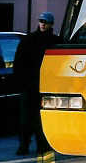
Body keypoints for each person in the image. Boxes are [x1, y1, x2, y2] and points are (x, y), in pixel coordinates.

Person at [15, 12, 63, 155]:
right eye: (41, 21)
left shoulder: (56, 41)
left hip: (47, 85)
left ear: (50, 24)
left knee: (42, 117)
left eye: (45, 21)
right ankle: (24, 145)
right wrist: (21, 83)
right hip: (30, 85)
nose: (42, 23)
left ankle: (42, 145)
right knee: (26, 117)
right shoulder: (28, 40)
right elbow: (18, 63)